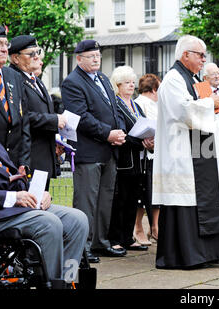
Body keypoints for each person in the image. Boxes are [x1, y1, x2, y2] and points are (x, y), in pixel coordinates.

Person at [152, 35, 219, 269]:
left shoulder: (196, 79)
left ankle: (208, 253)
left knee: (210, 199)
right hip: (181, 152)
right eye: (200, 54)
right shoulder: (172, 80)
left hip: (203, 150)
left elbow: (213, 106)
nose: (204, 59)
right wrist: (212, 103)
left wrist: (214, 104)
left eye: (204, 55)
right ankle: (186, 255)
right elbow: (182, 111)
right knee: (188, 202)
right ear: (185, 55)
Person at [61, 40, 127, 263]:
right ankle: (82, 247)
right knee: (86, 202)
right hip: (89, 151)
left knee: (105, 199)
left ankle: (100, 242)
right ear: (79, 59)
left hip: (108, 150)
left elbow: (115, 109)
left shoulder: (103, 79)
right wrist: (108, 133)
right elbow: (80, 117)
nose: (96, 59)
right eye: (91, 56)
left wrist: (120, 132)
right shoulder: (72, 82)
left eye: (98, 55)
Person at [0, 141, 88, 287]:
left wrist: (40, 194)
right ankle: (52, 285)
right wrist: (14, 197)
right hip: (2, 211)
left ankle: (67, 280)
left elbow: (13, 180)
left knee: (78, 220)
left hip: (14, 206)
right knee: (49, 223)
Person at [8, 35, 67, 190]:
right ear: (15, 58)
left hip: (44, 155)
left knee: (42, 205)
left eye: (37, 52)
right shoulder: (14, 80)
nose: (37, 57)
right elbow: (21, 116)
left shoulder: (35, 80)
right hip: (29, 158)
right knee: (33, 208)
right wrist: (54, 120)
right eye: (31, 54)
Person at [108, 65, 149, 252]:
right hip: (124, 159)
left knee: (134, 198)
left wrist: (149, 140)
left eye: (133, 82)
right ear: (117, 85)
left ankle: (128, 236)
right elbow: (122, 131)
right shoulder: (115, 104)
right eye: (127, 83)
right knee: (121, 200)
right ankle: (116, 237)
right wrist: (142, 142)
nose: (131, 86)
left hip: (139, 159)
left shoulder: (136, 104)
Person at [0, 26, 31, 177]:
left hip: (14, 165)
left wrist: (24, 161)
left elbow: (24, 123)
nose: (4, 49)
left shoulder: (13, 76)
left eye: (6, 44)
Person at [133, 73, 161, 246]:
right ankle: (138, 228)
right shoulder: (141, 104)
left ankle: (154, 226)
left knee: (153, 193)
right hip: (145, 154)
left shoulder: (154, 105)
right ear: (154, 89)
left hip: (156, 153)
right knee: (142, 195)